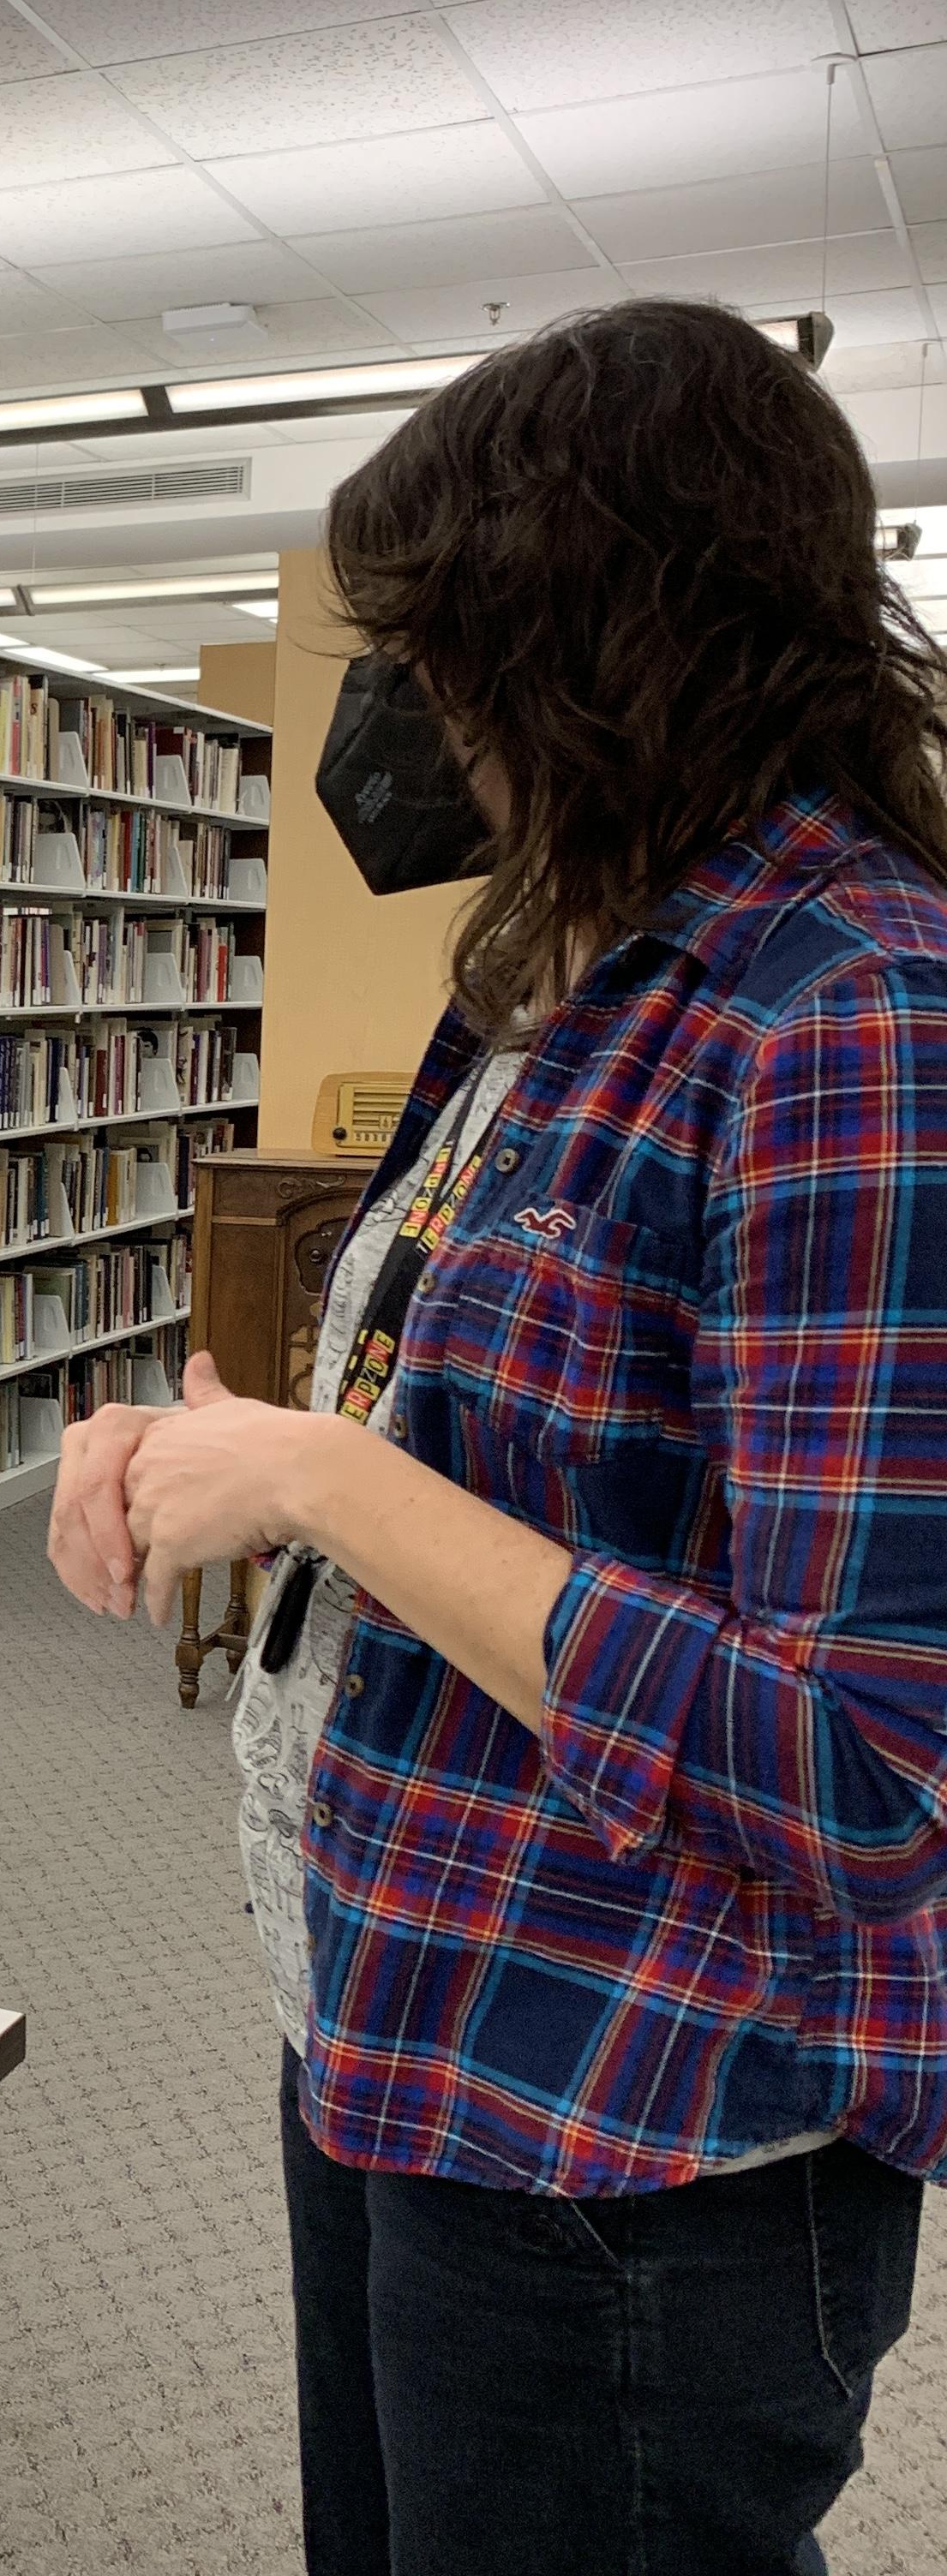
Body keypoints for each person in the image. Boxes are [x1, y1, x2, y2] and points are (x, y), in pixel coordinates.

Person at [52, 299, 947, 2576]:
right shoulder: (548, 982)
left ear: (599, 643)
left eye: (447, 645)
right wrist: (218, 1447)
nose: (414, 713)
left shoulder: (855, 1018)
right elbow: (464, 1423)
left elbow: (870, 1768)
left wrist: (335, 1490)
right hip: (390, 2005)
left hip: (630, 2131)